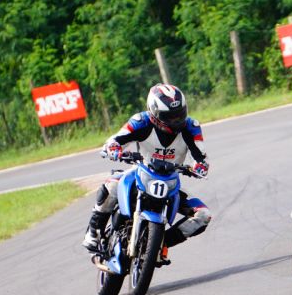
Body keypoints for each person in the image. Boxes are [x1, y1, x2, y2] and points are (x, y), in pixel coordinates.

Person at [82, 84, 211, 262]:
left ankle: (160, 243)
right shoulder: (140, 121)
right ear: (154, 112)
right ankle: (93, 232)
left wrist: (200, 166)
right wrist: (113, 148)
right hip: (140, 174)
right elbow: (116, 140)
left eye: (180, 114)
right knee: (112, 184)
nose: (176, 120)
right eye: (169, 116)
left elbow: (200, 155)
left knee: (203, 215)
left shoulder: (191, 127)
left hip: (170, 182)